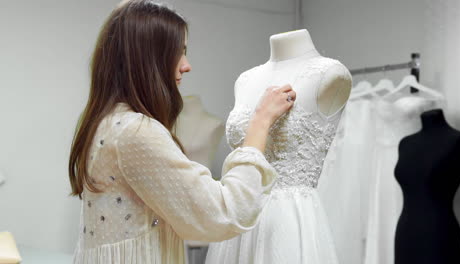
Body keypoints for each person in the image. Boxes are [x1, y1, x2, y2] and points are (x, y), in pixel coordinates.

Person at [68, 0, 296, 263]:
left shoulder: (104, 123)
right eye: (177, 52)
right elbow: (225, 212)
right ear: (148, 59)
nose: (186, 65)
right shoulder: (135, 132)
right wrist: (261, 122)